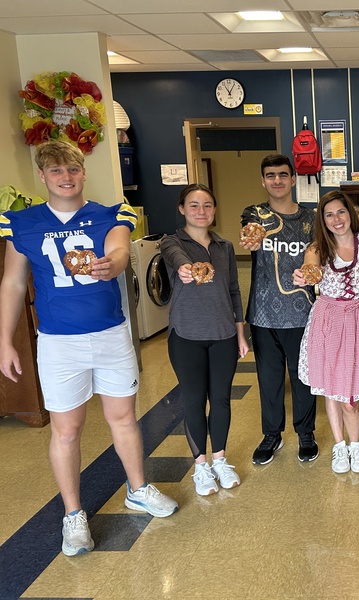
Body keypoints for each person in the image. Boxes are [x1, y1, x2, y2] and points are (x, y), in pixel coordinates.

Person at [0, 140, 178, 557]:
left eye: (73, 170)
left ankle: (138, 488)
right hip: (59, 341)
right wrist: (4, 340)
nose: (66, 177)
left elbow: (119, 250)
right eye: (57, 171)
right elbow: (12, 282)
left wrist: (110, 265)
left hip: (110, 334)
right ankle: (73, 514)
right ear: (43, 176)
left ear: (83, 173)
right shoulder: (21, 223)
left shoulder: (110, 213)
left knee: (123, 418)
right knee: (67, 429)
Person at [161, 184, 250, 496]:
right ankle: (201, 466)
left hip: (224, 334)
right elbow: (175, 258)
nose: (202, 211)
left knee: (222, 399)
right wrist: (186, 269)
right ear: (182, 209)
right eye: (194, 205)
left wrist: (241, 333)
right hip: (186, 336)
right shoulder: (172, 242)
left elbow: (234, 291)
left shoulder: (224, 247)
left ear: (215, 210)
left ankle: (220, 460)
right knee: (195, 400)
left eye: (208, 205)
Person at [240, 154, 317, 465]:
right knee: (269, 379)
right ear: (263, 180)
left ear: (293, 179)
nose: (277, 180)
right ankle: (271, 434)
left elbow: (317, 255)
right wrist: (250, 240)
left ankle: (306, 433)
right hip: (263, 314)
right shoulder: (255, 214)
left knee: (302, 379)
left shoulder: (311, 219)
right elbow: (250, 233)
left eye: (283, 175)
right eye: (270, 175)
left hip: (302, 311)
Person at [295, 191, 359, 473]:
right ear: (322, 220)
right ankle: (340, 447)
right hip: (327, 320)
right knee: (330, 390)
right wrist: (304, 274)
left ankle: (356, 444)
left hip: (357, 321)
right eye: (329, 214)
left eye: (341, 212)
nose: (336, 219)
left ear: (351, 214)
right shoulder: (317, 248)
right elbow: (310, 268)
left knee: (350, 396)